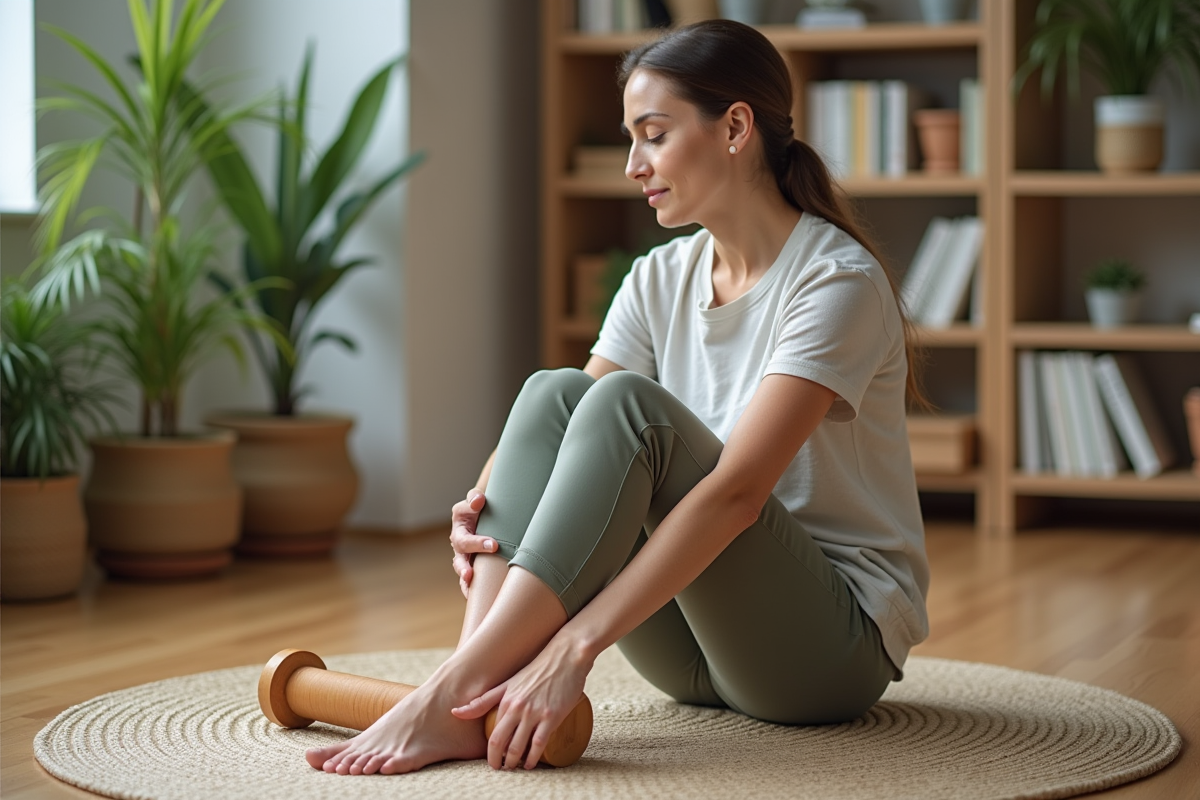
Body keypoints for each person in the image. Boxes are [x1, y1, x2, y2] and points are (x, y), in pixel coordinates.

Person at [305, 19, 930, 776]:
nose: (633, 164)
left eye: (654, 135)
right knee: (556, 392)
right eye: (631, 139)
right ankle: (473, 683)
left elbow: (737, 495)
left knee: (633, 409)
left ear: (735, 127)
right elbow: (561, 422)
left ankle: (456, 689)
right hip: (690, 652)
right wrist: (483, 496)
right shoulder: (660, 275)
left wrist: (575, 646)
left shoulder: (836, 284)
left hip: (820, 655)